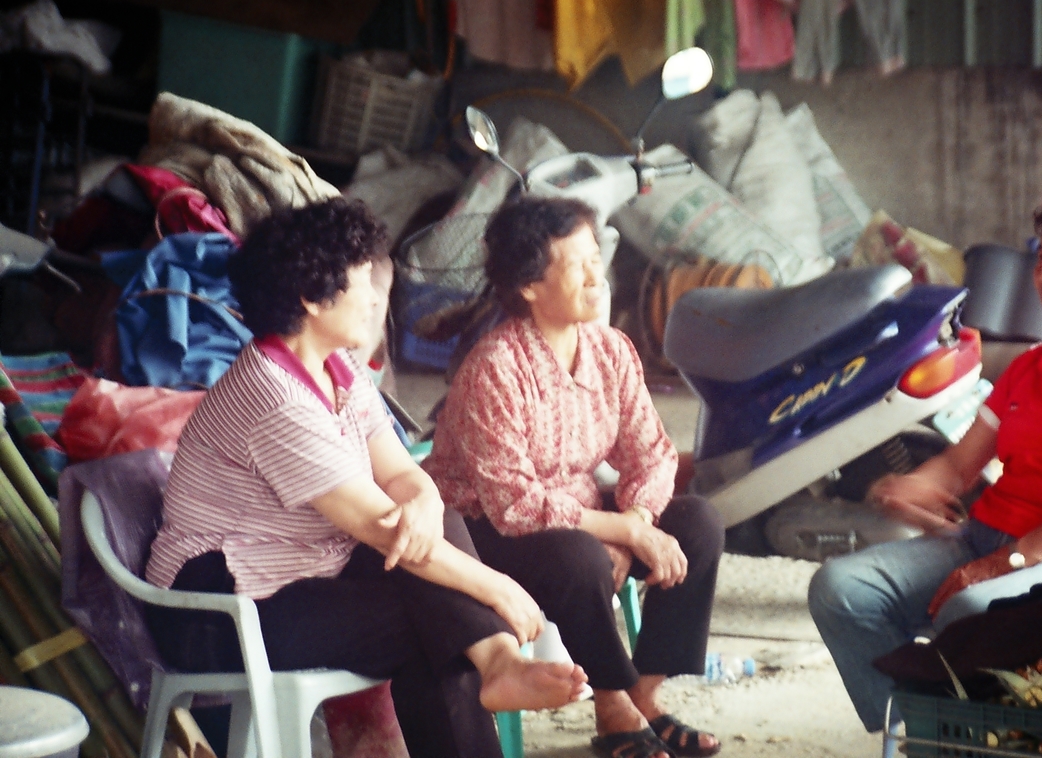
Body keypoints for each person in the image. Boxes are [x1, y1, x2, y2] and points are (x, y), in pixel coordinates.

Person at [144, 199, 586, 758]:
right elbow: (380, 527)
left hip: (295, 571)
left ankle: (495, 662)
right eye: (362, 285)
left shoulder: (338, 366)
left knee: (440, 546)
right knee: (434, 623)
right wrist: (500, 590)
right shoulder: (271, 396)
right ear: (311, 299)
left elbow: (401, 471)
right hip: (217, 607)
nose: (378, 298)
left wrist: (424, 504)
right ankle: (495, 659)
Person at [807, 193, 1042, 732]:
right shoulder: (1033, 365)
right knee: (841, 590)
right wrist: (911, 485)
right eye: (1040, 258)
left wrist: (998, 566)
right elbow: (961, 465)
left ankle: (957, 732)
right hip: (983, 535)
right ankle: (922, 731)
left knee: (971, 613)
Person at [426, 196, 726, 758]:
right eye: (578, 265)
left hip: (575, 518)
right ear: (530, 287)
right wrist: (621, 533)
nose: (598, 277)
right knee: (579, 558)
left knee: (699, 522)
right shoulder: (496, 367)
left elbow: (653, 454)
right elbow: (513, 505)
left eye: (597, 258)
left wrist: (634, 520)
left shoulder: (609, 349)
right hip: (482, 532)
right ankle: (616, 704)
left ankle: (646, 688)